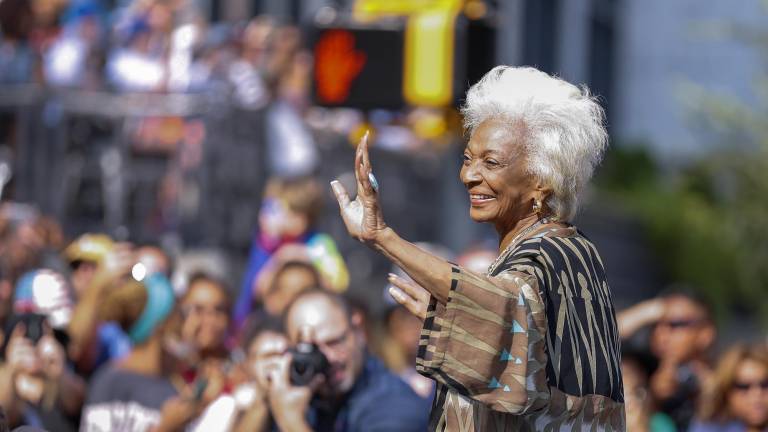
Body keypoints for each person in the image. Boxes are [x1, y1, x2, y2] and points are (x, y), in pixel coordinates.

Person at [331, 65, 625, 430]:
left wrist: (383, 237)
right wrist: (453, 319)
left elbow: (505, 307)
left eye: (491, 163)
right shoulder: (562, 249)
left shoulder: (552, 253)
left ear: (542, 182)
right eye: (468, 158)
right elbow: (517, 336)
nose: (468, 175)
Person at [266, 289, 430, 432]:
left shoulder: (397, 406)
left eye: (335, 342)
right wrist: (261, 399)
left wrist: (292, 423)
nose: (328, 358)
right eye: (312, 349)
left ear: (358, 330)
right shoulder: (298, 395)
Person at [618, 290, 716, 429]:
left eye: (675, 324)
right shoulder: (643, 368)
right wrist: (648, 310)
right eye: (656, 325)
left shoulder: (729, 378)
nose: (661, 334)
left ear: (706, 333)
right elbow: (598, 341)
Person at [689, 344, 768, 432]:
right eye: (744, 386)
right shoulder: (708, 427)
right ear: (726, 391)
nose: (757, 394)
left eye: (765, 384)